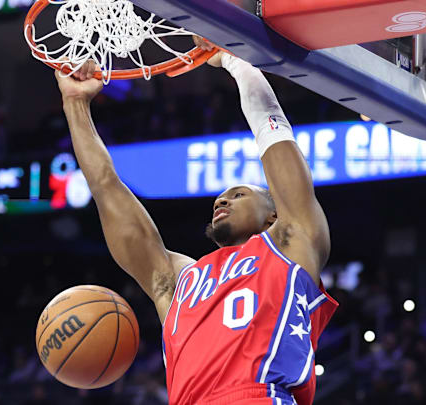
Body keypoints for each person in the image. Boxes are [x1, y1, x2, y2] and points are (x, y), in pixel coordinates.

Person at [53, 38, 338, 405]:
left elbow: (276, 139)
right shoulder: (180, 280)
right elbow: (107, 189)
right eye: (222, 196)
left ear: (274, 214)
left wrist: (239, 64)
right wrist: (75, 104)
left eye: (239, 194)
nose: (222, 199)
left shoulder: (290, 244)